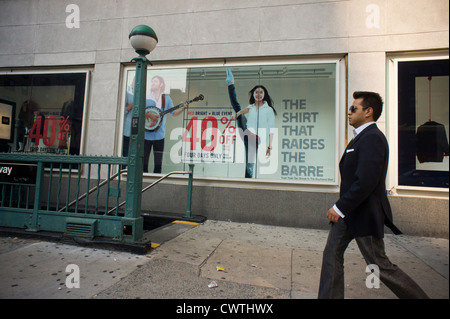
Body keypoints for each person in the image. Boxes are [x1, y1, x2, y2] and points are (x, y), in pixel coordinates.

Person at [318, 91, 429, 299]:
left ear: (368, 112)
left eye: (353, 108)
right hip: (349, 213)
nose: (349, 112)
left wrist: (339, 207)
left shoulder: (372, 138)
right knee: (331, 254)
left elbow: (366, 181)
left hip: (364, 214)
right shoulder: (360, 137)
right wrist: (343, 209)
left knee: (379, 265)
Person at [225, 67, 276, 178]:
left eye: (261, 92)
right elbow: (244, 111)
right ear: (253, 94)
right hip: (246, 133)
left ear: (264, 94)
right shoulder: (251, 107)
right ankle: (230, 83)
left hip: (256, 139)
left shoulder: (268, 110)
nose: (258, 94)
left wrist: (270, 147)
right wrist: (238, 114)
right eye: (256, 92)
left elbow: (272, 129)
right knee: (237, 107)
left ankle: (247, 184)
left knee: (249, 165)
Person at [143, 75, 186, 173]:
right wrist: (148, 114)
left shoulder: (166, 99)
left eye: (155, 81)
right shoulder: (147, 97)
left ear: (161, 84)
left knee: (158, 165)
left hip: (160, 136)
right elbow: (139, 112)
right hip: (146, 135)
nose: (152, 83)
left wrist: (182, 109)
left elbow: (173, 114)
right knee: (144, 163)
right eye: (152, 81)